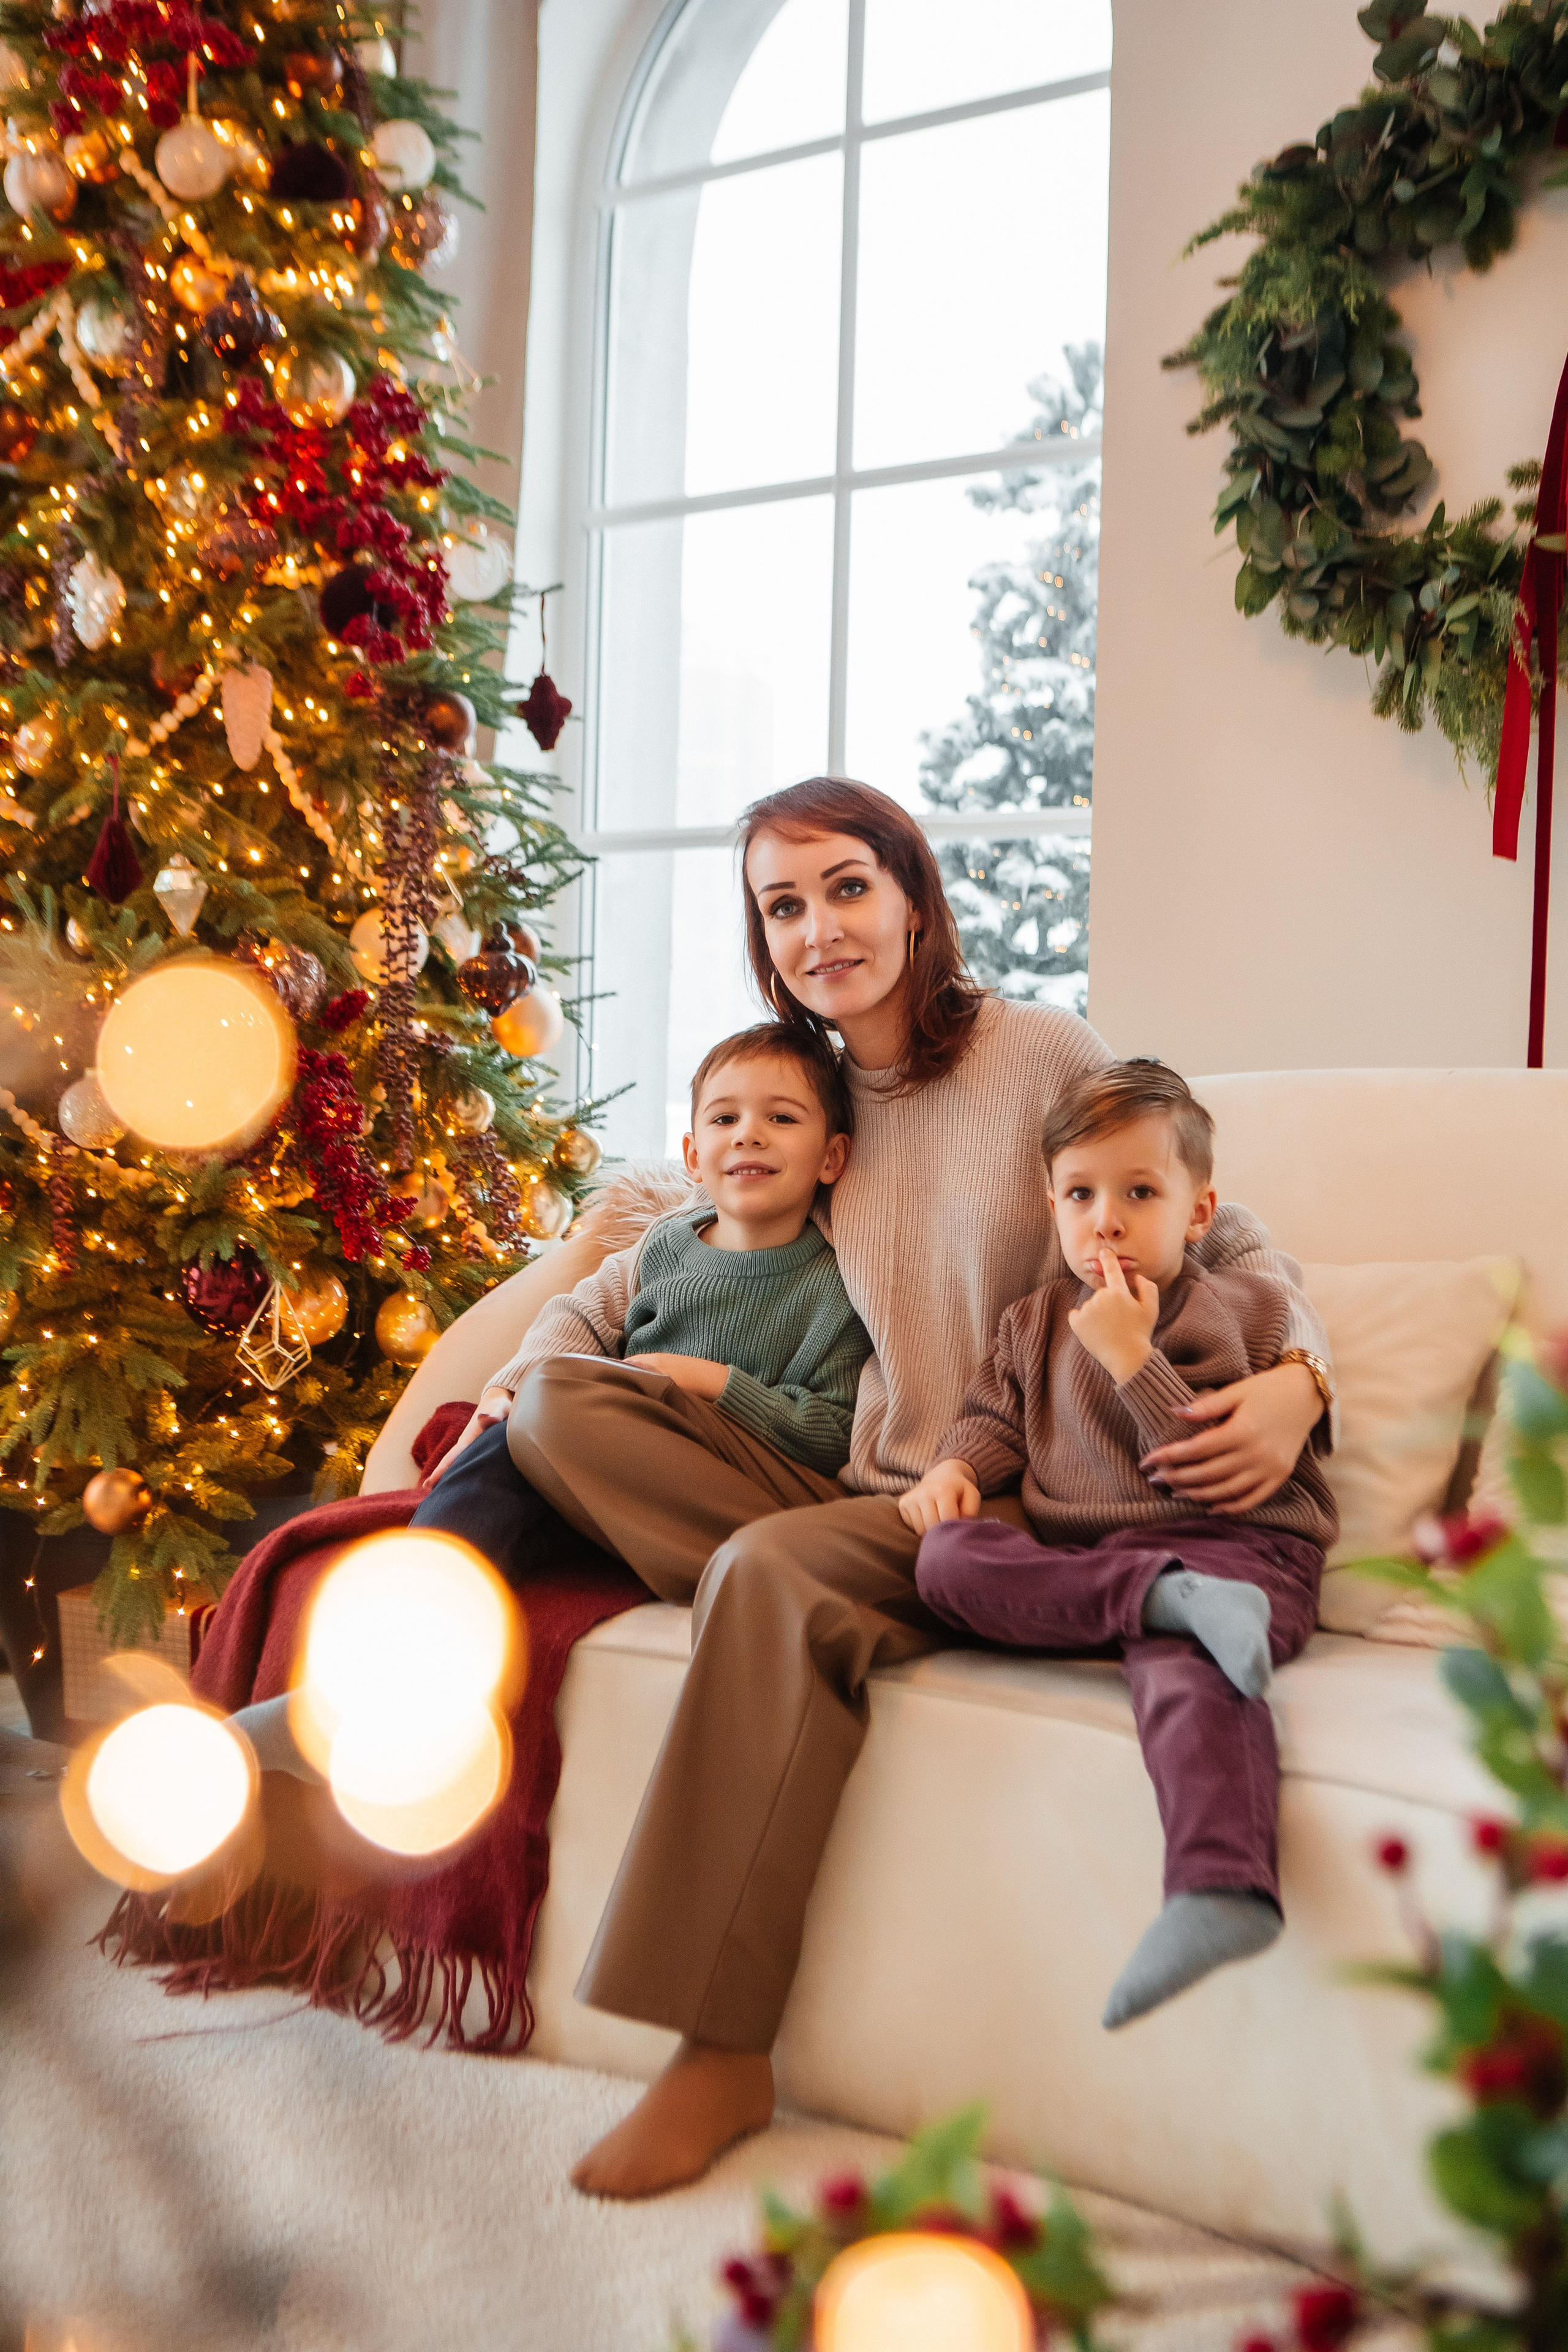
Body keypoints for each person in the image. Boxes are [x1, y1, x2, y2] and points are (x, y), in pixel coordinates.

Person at [492, 777, 1335, 2199]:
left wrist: (1297, 1377)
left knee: (766, 1577)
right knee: (561, 1407)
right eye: (781, 904)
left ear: (908, 893)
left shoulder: (1032, 1047)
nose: (818, 927)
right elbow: (670, 1224)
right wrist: (537, 1347)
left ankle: (714, 2051)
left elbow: (1210, 1207)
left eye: (843, 886)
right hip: (879, 1485)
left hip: (1026, 1494)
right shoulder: (812, 1105)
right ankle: (850, 1598)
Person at [233, 1020, 871, 1776]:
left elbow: (830, 1432)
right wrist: (504, 1390)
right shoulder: (666, 1244)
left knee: (551, 1424)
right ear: (694, 1157)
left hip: (701, 1493)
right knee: (501, 1466)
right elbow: (580, 1315)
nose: (750, 1136)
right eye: (726, 1118)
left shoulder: (833, 1285)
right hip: (601, 1481)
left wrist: (705, 1382)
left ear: (832, 1156)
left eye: (783, 1118)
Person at [902, 1059, 1336, 2028]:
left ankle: (1221, 1888)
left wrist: (1133, 1360)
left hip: (1244, 1556)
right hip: (1104, 1568)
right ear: (1050, 1204)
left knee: (1187, 1673)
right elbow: (994, 1419)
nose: (1106, 1219)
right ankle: (1162, 1598)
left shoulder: (1246, 1312)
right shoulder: (1032, 1323)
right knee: (945, 1559)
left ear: (1196, 1210)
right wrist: (951, 1468)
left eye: (1140, 1193)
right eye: (1082, 1194)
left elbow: (1202, 1468)